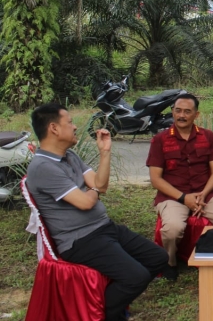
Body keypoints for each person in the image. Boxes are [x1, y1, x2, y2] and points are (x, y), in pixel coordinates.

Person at [26, 104, 167, 321]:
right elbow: (85, 202)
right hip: (80, 240)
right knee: (136, 277)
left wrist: (105, 153)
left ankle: (110, 305)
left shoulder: (70, 156)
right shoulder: (43, 167)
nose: (75, 127)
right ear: (54, 128)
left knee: (158, 257)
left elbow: (101, 185)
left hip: (104, 228)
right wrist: (93, 190)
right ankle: (107, 314)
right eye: (70, 122)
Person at [147, 93, 213, 280]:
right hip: (173, 197)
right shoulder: (160, 140)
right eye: (178, 111)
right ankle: (170, 263)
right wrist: (184, 198)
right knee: (172, 229)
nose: (181, 115)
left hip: (205, 194)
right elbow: (156, 179)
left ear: (196, 115)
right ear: (172, 112)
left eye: (187, 112)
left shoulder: (207, 136)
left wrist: (203, 194)